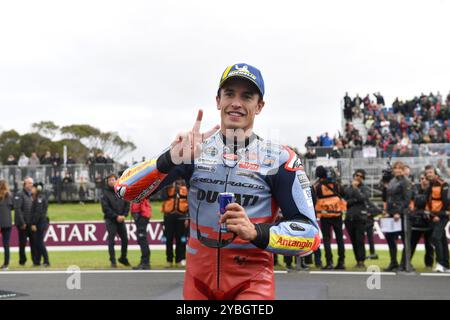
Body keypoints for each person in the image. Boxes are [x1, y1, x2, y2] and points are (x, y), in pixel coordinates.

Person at [115, 63, 320, 300]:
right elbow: (124, 190)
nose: (236, 102)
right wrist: (170, 158)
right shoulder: (193, 148)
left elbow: (311, 236)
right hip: (197, 285)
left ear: (259, 106)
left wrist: (256, 232)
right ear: (217, 100)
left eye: (247, 96)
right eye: (229, 94)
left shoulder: (281, 158)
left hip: (252, 286)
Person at [313, 166, 346, 270]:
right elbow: (343, 195)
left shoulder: (317, 186)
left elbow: (313, 199)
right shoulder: (337, 185)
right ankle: (341, 262)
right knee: (340, 239)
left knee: (327, 240)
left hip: (324, 215)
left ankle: (329, 262)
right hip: (337, 215)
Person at [383, 161, 412, 272]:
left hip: (402, 215)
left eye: (400, 168)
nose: (397, 170)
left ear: (403, 169)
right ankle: (393, 262)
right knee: (390, 238)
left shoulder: (406, 182)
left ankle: (403, 263)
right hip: (391, 214)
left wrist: (398, 212)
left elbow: (407, 199)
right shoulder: (392, 181)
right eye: (395, 168)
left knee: (404, 240)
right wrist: (387, 211)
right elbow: (389, 197)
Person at [101, 173, 130, 268]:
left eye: (113, 179)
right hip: (111, 220)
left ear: (116, 180)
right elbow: (105, 208)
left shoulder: (121, 191)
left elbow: (127, 203)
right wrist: (116, 216)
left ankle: (123, 257)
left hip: (121, 219)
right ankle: (113, 261)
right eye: (109, 180)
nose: (111, 181)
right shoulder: (105, 193)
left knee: (125, 239)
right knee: (111, 241)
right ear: (107, 182)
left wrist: (124, 215)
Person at [424, 165, 449, 272]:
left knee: (435, 237)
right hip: (434, 215)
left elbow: (447, 202)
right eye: (427, 173)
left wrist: (439, 215)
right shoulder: (430, 185)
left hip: (442, 215)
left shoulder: (443, 184)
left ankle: (440, 263)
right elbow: (429, 201)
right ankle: (446, 265)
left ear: (436, 173)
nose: (428, 174)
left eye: (430, 172)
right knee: (442, 239)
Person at [344, 169, 370, 268]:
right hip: (349, 217)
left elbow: (363, 198)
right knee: (353, 241)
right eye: (357, 175)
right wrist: (355, 200)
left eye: (361, 176)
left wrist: (355, 189)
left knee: (360, 240)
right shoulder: (347, 188)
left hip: (360, 217)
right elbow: (345, 202)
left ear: (363, 178)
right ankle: (357, 260)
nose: (358, 177)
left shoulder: (364, 188)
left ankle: (361, 261)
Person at [161, 179, 189, 267]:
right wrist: (169, 184)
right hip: (169, 217)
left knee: (181, 240)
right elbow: (163, 197)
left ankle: (179, 260)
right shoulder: (167, 188)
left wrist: (187, 218)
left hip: (181, 217)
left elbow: (190, 204)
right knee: (168, 239)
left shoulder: (186, 189)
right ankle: (169, 260)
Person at [410, 172, 434, 269]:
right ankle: (407, 262)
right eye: (421, 178)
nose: (423, 180)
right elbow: (417, 202)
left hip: (429, 221)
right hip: (416, 221)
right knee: (412, 244)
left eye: (425, 179)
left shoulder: (432, 190)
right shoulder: (415, 189)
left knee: (429, 245)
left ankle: (429, 264)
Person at [14, 177, 39, 266]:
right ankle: (22, 261)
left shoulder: (33, 194)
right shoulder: (19, 194)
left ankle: (35, 261)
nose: (31, 185)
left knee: (34, 243)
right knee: (22, 244)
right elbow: (18, 209)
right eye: (29, 183)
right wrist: (22, 222)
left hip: (31, 223)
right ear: (25, 184)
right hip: (23, 224)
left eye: (32, 183)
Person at [31, 183, 50, 267]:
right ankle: (38, 261)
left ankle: (46, 261)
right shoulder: (40, 197)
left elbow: (38, 212)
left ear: (37, 189)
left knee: (39, 242)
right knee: (38, 242)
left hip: (40, 223)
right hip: (41, 222)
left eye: (33, 188)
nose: (32, 189)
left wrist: (34, 223)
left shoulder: (39, 198)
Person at [131, 197, 152, 270]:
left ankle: (145, 262)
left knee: (142, 239)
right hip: (141, 214)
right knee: (141, 239)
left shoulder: (139, 191)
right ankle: (144, 262)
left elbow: (137, 202)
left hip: (142, 215)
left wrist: (135, 212)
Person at [0, 180, 14, 270]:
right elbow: (12, 207)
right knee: (6, 244)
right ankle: (6, 264)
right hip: (8, 223)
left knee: (5, 244)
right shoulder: (9, 195)